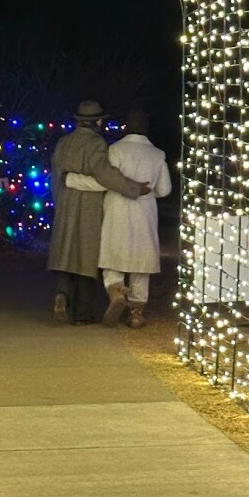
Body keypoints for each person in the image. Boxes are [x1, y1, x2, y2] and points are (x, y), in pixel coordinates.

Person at [65, 109, 171, 328]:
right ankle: (136, 312)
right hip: (145, 211)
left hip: (117, 208)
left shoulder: (116, 150)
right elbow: (165, 189)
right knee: (141, 264)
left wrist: (72, 180)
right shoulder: (158, 154)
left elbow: (104, 181)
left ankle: (116, 292)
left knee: (113, 257)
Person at [48, 100, 149, 325]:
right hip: (89, 207)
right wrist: (133, 188)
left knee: (66, 256)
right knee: (87, 259)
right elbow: (105, 174)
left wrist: (60, 199)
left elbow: (56, 177)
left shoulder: (63, 143)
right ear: (98, 121)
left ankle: (62, 295)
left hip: (65, 204)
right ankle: (83, 316)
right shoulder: (96, 144)